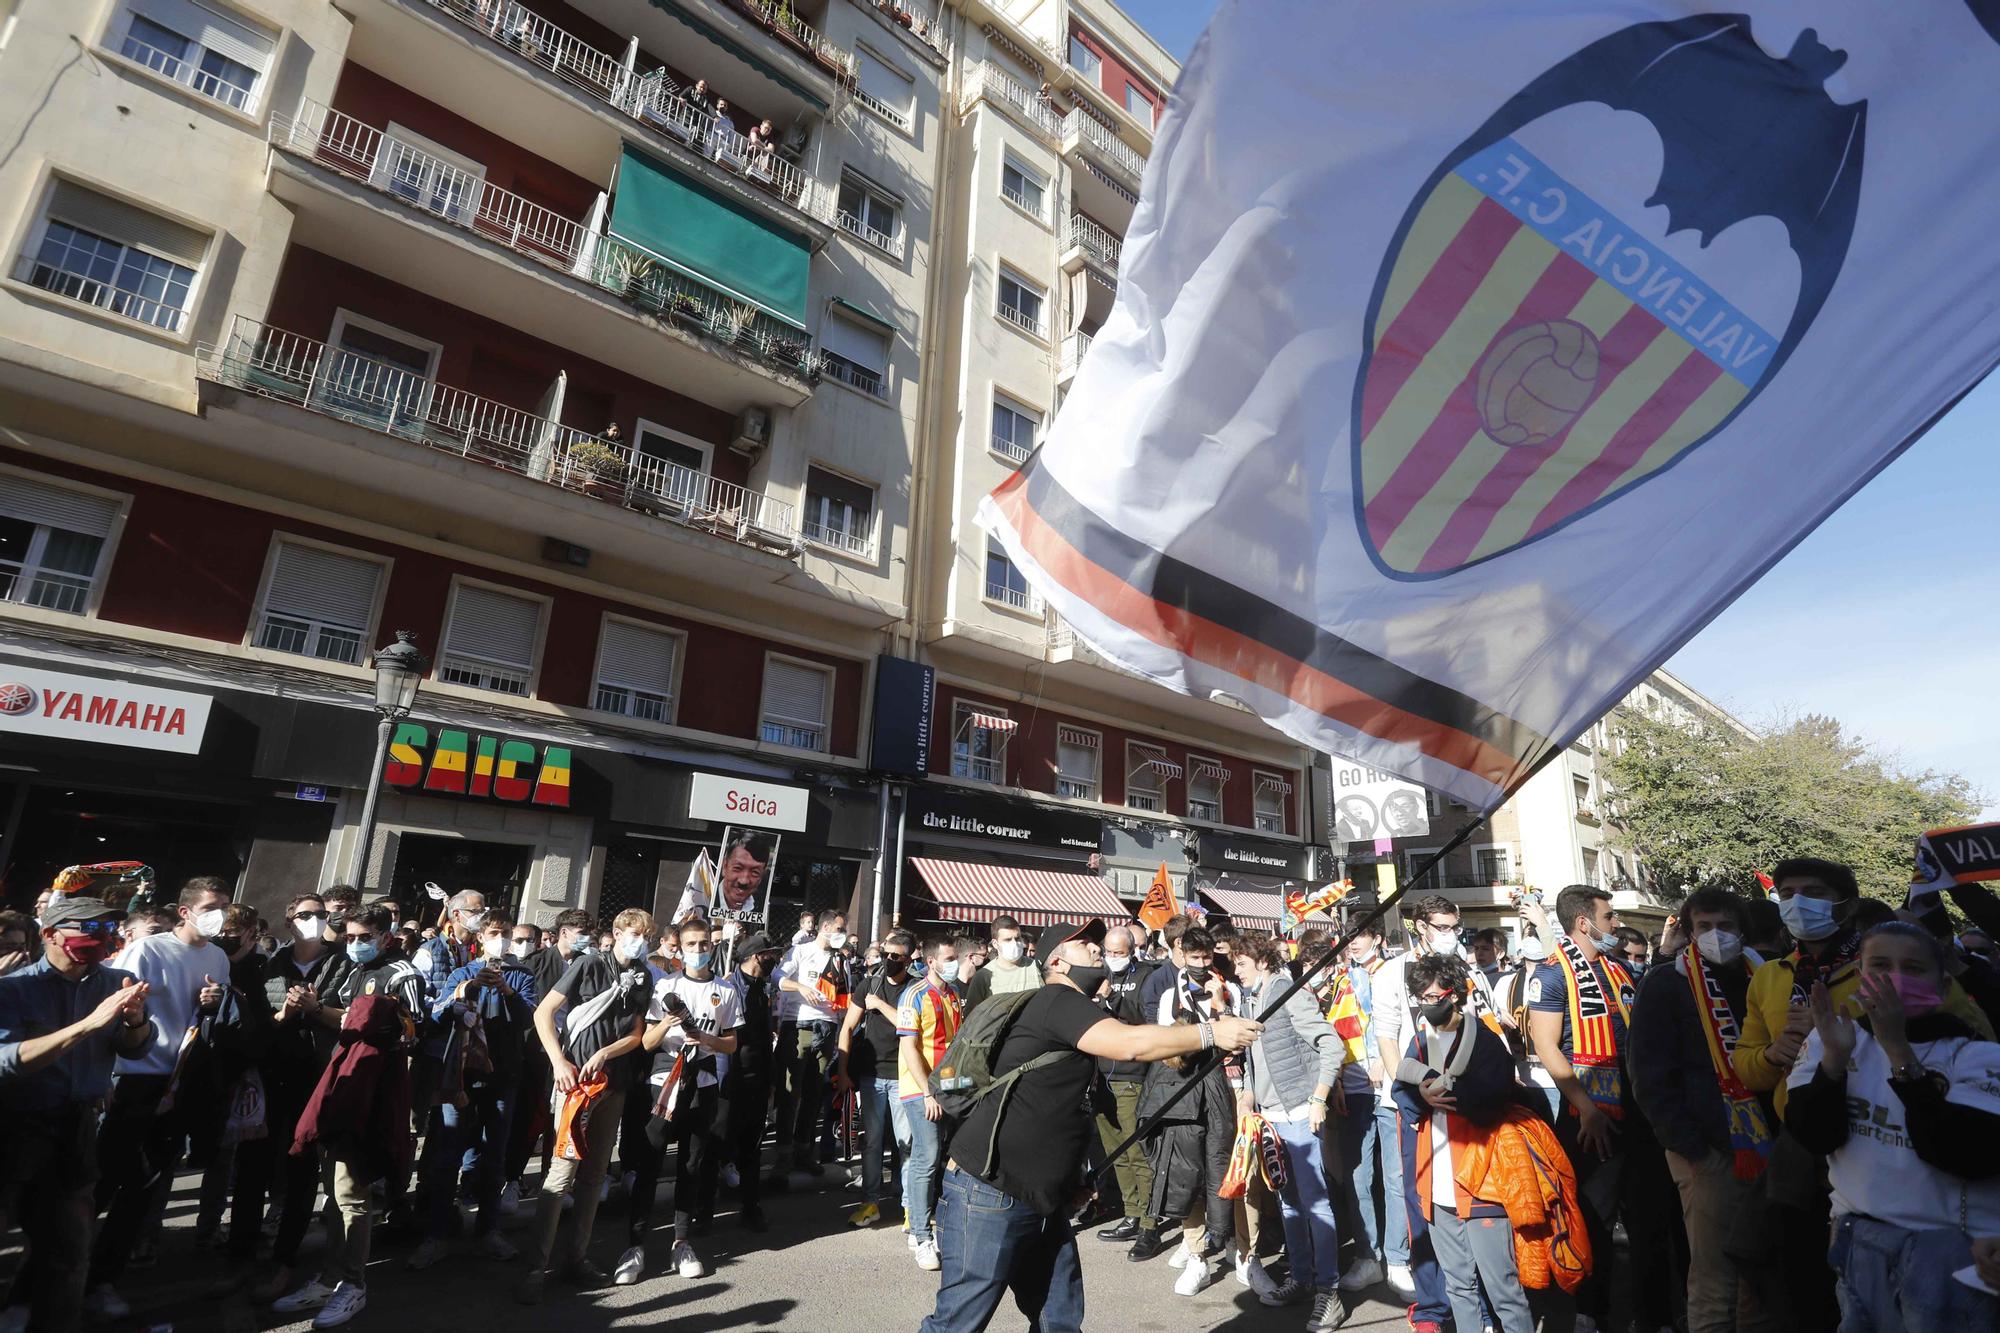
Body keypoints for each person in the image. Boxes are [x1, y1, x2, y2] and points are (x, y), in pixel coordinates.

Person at [919, 920, 1262, 1333]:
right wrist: (1211, 1032)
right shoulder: (1056, 1001)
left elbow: (1062, 1107)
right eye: (1084, 943)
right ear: (1058, 961)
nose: (1097, 948)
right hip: (990, 1191)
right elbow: (1130, 1044)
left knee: (1058, 1320)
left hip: (1043, 1196)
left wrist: (1072, 1178)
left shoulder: (1080, 1008)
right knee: (959, 1322)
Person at [1734, 858, 1993, 1329]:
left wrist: (1895, 1043)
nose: (1797, 903)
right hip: (1821, 1179)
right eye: (1787, 893)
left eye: (1811, 892)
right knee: (1807, 1289)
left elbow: (1966, 1130)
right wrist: (1786, 1053)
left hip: (1931, 1217)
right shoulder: (1772, 975)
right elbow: (1754, 1072)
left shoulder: (1965, 1048)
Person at [1787, 922, 2000, 1328]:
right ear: (1861, 975)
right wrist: (1832, 1062)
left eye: (1913, 968)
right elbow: (1814, 1135)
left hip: (1948, 1255)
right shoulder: (1833, 1038)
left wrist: (1899, 1051)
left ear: (1941, 986)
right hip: (1859, 1241)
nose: (1895, 978)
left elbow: (1964, 1154)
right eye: (1880, 964)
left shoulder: (1979, 1055)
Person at [0, 896, 154, 1331]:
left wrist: (134, 1021)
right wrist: (87, 1025)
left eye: (109, 930)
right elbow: (6, 1059)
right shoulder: (13, 988)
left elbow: (135, 1047)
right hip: (16, 1126)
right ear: (50, 934)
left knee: (69, 1249)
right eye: (89, 929)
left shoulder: (117, 981)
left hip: (78, 1128)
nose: (102, 939)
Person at [1527, 883, 1674, 1333]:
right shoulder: (1552, 974)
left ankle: (1655, 1316)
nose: (1615, 926)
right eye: (1608, 918)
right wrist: (1586, 1108)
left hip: (1636, 1110)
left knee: (1649, 1217)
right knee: (1593, 1218)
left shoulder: (1618, 970)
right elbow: (1546, 1046)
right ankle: (1591, 1310)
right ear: (1583, 922)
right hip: (1587, 1115)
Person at [1628, 888, 1775, 1333]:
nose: (1716, 935)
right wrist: (1689, 1146)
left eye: (1726, 926)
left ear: (1743, 929)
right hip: (1706, 1151)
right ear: (1689, 932)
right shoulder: (1665, 982)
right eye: (1704, 927)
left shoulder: (1764, 976)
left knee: (1758, 1272)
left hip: (1766, 1146)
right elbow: (1649, 1075)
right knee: (1714, 1277)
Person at [85, 875, 232, 1318]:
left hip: (181, 1080)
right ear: (185, 911)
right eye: (211, 905)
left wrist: (211, 1001)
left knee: (142, 1189)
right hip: (134, 1078)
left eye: (225, 904)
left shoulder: (220, 957)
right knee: (99, 1184)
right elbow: (115, 1011)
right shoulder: (148, 950)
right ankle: (49, 1277)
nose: (220, 914)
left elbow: (209, 1016)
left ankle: (103, 1280)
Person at [1393, 954, 1564, 1333]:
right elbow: (1400, 1093)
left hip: (1483, 1183)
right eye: (1420, 996)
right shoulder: (1420, 1042)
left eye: (1434, 995)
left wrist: (1438, 1092)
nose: (1427, 1003)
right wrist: (1424, 1096)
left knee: (1503, 1288)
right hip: (1436, 1186)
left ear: (1454, 995)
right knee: (1458, 1286)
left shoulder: (1485, 1042)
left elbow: (1490, 1102)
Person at [272, 904, 425, 1327]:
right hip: (336, 1085)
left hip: (370, 1094)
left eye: (365, 937)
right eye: (351, 937)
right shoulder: (350, 971)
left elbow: (411, 1031)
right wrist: (320, 1010)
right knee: (333, 1194)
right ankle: (330, 1275)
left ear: (386, 935)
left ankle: (353, 1283)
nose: (356, 944)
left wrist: (323, 1013)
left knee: (352, 1192)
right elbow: (343, 1018)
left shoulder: (403, 975)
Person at [517, 908, 655, 1304]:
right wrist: (559, 1061)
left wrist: (608, 1051)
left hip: (614, 1082)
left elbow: (636, 1033)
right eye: (633, 933)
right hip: (576, 1083)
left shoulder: (643, 974)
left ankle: (576, 1257)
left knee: (594, 1176)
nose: (639, 940)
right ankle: (535, 1267)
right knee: (561, 1175)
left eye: (645, 934)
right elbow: (544, 1013)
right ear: (616, 932)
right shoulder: (589, 964)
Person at [1372, 894, 1495, 1300]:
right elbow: (1387, 1037)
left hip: (1467, 1099)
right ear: (1420, 927)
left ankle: (1475, 1293)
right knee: (1419, 1197)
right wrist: (1411, 1089)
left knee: (1474, 1197)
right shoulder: (1391, 972)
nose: (1451, 935)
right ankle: (1430, 1298)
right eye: (1442, 927)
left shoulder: (1468, 968)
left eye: (1454, 927)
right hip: (1415, 1103)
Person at [408, 913, 538, 1270]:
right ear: (480, 939)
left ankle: (489, 1231)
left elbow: (529, 1019)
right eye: (495, 933)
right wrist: (466, 991)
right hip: (461, 1076)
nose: (503, 939)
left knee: (495, 1156)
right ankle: (438, 1234)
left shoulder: (522, 976)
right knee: (447, 1155)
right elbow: (437, 1016)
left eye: (507, 934)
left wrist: (508, 991)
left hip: (503, 1076)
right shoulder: (461, 974)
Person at [620, 915, 738, 1285]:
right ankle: (635, 1244)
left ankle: (681, 1241)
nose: (699, 950)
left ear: (712, 945)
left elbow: (732, 1043)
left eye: (704, 944)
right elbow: (647, 1043)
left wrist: (706, 1040)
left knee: (691, 1164)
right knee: (650, 1161)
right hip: (664, 1082)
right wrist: (667, 1025)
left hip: (703, 1082)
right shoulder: (664, 986)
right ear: (680, 948)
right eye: (691, 945)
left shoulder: (726, 991)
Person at [1239, 938, 1347, 1327]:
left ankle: (1328, 1292)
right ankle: (1301, 1278)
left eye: (1242, 961)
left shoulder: (1286, 991)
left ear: (1263, 961)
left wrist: (1319, 1098)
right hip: (1271, 1118)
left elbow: (1332, 1044)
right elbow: (1253, 1057)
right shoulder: (1251, 998)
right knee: (1288, 1203)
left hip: (1300, 1111)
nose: (1236, 969)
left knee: (1316, 1204)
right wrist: (1248, 1094)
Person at [251, 892, 350, 1303]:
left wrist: (313, 1009)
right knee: (256, 1165)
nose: (315, 920)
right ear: (290, 921)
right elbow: (259, 1021)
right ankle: (243, 1253)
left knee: (301, 1166)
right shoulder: (270, 964)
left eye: (321, 915)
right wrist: (287, 1013)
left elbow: (350, 1018)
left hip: (320, 1078)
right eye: (306, 915)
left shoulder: (344, 962)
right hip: (272, 1077)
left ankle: (285, 1259)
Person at [1137, 1012, 1237, 1302]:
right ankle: (1196, 1254)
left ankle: (1233, 1243)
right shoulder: (1165, 1057)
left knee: (1226, 1178)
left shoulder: (1212, 1052)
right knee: (1185, 1188)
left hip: (1219, 1106)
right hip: (1179, 1133)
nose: (1202, 962)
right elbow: (1146, 1115)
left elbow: (1221, 1131)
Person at [1090, 925, 1167, 1257]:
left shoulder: (1148, 975)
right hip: (1101, 1074)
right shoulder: (1098, 972)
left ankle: (1150, 1224)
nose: (1112, 957)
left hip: (1133, 1075)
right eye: (1108, 951)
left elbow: (1144, 1019)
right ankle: (1131, 1213)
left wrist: (1110, 998)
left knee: (1137, 1152)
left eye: (1118, 952)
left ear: (1133, 950)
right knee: (1117, 1154)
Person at [1326, 922, 1391, 1294]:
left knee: (1396, 1181)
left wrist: (1385, 1058)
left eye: (1361, 937)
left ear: (1378, 939)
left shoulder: (1391, 973)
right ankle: (1369, 1255)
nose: (1353, 945)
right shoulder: (1342, 980)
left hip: (1388, 1089)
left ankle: (1400, 1257)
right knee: (1359, 1177)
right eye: (1349, 939)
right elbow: (1336, 1033)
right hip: (1353, 1089)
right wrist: (1335, 1079)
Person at [837, 928, 914, 1228]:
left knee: (906, 1143)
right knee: (871, 1144)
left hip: (903, 1077)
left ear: (908, 959)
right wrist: (843, 1071)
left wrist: (880, 1005)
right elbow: (847, 1028)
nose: (888, 960)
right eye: (885, 955)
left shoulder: (915, 989)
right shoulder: (868, 984)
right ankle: (870, 1202)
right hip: (871, 1077)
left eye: (895, 956)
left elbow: (909, 1024)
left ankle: (911, 1208)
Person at [898, 935, 962, 1271]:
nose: (954, 963)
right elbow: (910, 1048)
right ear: (932, 961)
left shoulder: (952, 994)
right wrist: (927, 1091)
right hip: (920, 1090)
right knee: (926, 1156)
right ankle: (921, 1235)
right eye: (949, 958)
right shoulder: (914, 995)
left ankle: (930, 1225)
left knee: (944, 1159)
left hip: (949, 1088)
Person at [774, 909, 848, 1178]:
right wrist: (800, 988)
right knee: (790, 1091)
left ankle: (803, 1150)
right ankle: (782, 1154)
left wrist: (839, 1027)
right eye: (839, 929)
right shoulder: (801, 950)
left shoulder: (841, 958)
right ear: (825, 927)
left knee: (814, 1092)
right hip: (800, 1023)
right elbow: (777, 978)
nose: (842, 934)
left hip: (827, 1026)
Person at [723, 930, 780, 1233]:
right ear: (757, 956)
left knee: (752, 1147)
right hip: (731, 1078)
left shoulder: (763, 988)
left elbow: (764, 1036)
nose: (774, 959)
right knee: (720, 1143)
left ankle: (750, 1206)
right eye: (770, 954)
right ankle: (704, 1210)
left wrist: (770, 1078)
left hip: (757, 1078)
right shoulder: (730, 987)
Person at [964, 914, 1039, 1010]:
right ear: (995, 944)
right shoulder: (983, 976)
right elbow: (972, 1018)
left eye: (1017, 938)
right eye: (1008, 940)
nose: (1014, 943)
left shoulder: (1036, 967)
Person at [718, 833, 770, 915]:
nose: (744, 881)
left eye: (755, 872)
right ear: (724, 866)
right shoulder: (705, 899)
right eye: (738, 868)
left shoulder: (761, 908)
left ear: (761, 877)